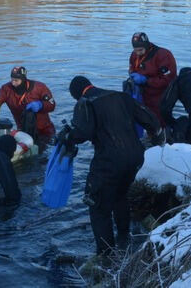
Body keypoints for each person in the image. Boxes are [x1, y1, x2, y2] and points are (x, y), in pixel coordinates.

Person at [66, 76, 165, 257]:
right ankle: (124, 236)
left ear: (76, 94)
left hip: (110, 160)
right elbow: (150, 118)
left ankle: (106, 256)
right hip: (135, 157)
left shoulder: (85, 102)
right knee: (120, 195)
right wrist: (158, 138)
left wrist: (67, 138)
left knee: (97, 205)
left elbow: (82, 133)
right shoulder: (120, 96)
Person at [128, 32, 177, 127]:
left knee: (160, 120)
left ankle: (165, 135)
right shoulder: (134, 55)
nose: (138, 53)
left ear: (147, 46)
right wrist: (132, 75)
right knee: (142, 118)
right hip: (143, 94)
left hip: (161, 95)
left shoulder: (164, 55)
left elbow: (168, 80)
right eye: (135, 50)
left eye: (140, 50)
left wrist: (146, 80)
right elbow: (132, 68)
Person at [0, 65, 56, 141]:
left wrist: (41, 105)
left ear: (23, 79)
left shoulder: (40, 87)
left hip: (45, 130)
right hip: (23, 131)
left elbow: (52, 104)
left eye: (16, 80)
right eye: (12, 80)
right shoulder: (6, 89)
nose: (13, 83)